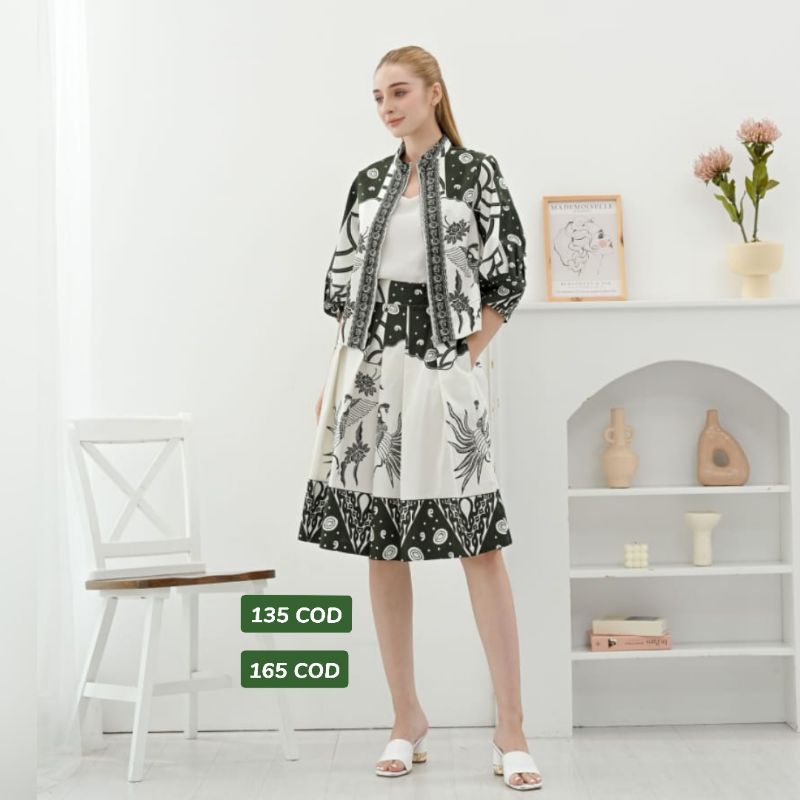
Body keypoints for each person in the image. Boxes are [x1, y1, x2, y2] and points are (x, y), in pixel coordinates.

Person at [297, 45, 543, 791]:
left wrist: (465, 356)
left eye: (399, 91)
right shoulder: (368, 182)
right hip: (367, 375)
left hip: (443, 371)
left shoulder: (477, 173)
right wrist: (337, 377)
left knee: (479, 545)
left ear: (434, 92)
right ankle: (406, 717)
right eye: (378, 97)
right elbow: (343, 286)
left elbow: (508, 277)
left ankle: (511, 727)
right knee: (382, 546)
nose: (387, 106)